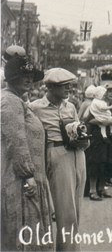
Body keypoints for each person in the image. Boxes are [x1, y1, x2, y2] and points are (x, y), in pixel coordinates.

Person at [30, 68, 87, 251]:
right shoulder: (35, 107)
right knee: (65, 211)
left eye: (69, 85)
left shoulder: (69, 106)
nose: (68, 89)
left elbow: (78, 127)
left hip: (78, 155)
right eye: (64, 86)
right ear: (50, 87)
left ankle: (70, 248)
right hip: (57, 154)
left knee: (76, 209)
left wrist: (83, 138)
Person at [1, 54, 54, 252]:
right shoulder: (10, 102)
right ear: (12, 76)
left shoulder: (16, 100)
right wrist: (28, 175)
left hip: (27, 177)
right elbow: (17, 141)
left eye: (32, 75)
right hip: (21, 180)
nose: (30, 79)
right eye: (25, 75)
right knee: (24, 232)